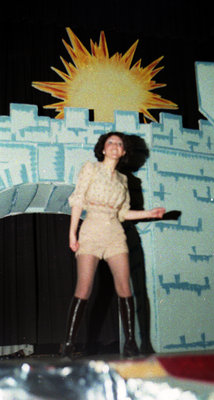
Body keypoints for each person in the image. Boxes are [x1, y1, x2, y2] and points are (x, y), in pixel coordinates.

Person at [61, 131, 165, 357]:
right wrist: (73, 234)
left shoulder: (124, 180)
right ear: (103, 148)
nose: (115, 146)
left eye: (119, 144)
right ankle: (68, 344)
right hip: (91, 229)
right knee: (84, 287)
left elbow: (123, 213)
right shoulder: (91, 168)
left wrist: (150, 213)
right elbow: (78, 200)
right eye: (111, 142)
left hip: (115, 233)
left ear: (124, 151)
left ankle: (130, 344)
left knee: (125, 287)